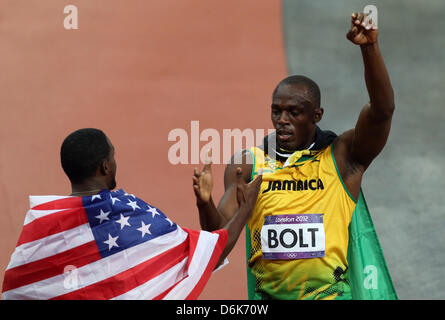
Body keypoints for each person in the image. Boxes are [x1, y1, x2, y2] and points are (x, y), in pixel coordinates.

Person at [193, 11, 395, 299]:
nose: (282, 120)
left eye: (294, 112)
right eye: (277, 111)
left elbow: (382, 110)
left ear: (316, 115)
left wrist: (369, 48)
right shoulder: (248, 164)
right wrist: (204, 203)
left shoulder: (342, 157)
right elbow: (218, 239)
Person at [1, 128, 262, 300]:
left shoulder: (41, 225)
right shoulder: (128, 212)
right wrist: (246, 208)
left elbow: (18, 288)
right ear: (105, 166)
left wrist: (205, 205)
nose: (115, 162)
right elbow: (209, 254)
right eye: (113, 156)